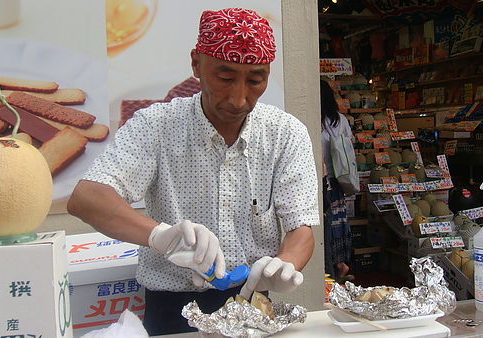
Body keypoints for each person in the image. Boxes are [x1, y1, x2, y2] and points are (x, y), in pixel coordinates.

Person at [67, 8, 319, 335]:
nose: (239, 98)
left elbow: (301, 228)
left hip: (254, 305)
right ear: (195, 64)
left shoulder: (286, 134)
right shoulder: (155, 126)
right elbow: (87, 198)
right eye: (225, 77)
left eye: (256, 80)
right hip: (173, 309)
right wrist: (160, 237)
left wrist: (284, 264)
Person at [320, 79, 354, 283]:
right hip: (340, 179)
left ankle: (334, 267)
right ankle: (341, 263)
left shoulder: (316, 121)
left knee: (328, 225)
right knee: (340, 223)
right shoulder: (340, 120)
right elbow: (349, 148)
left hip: (324, 181)